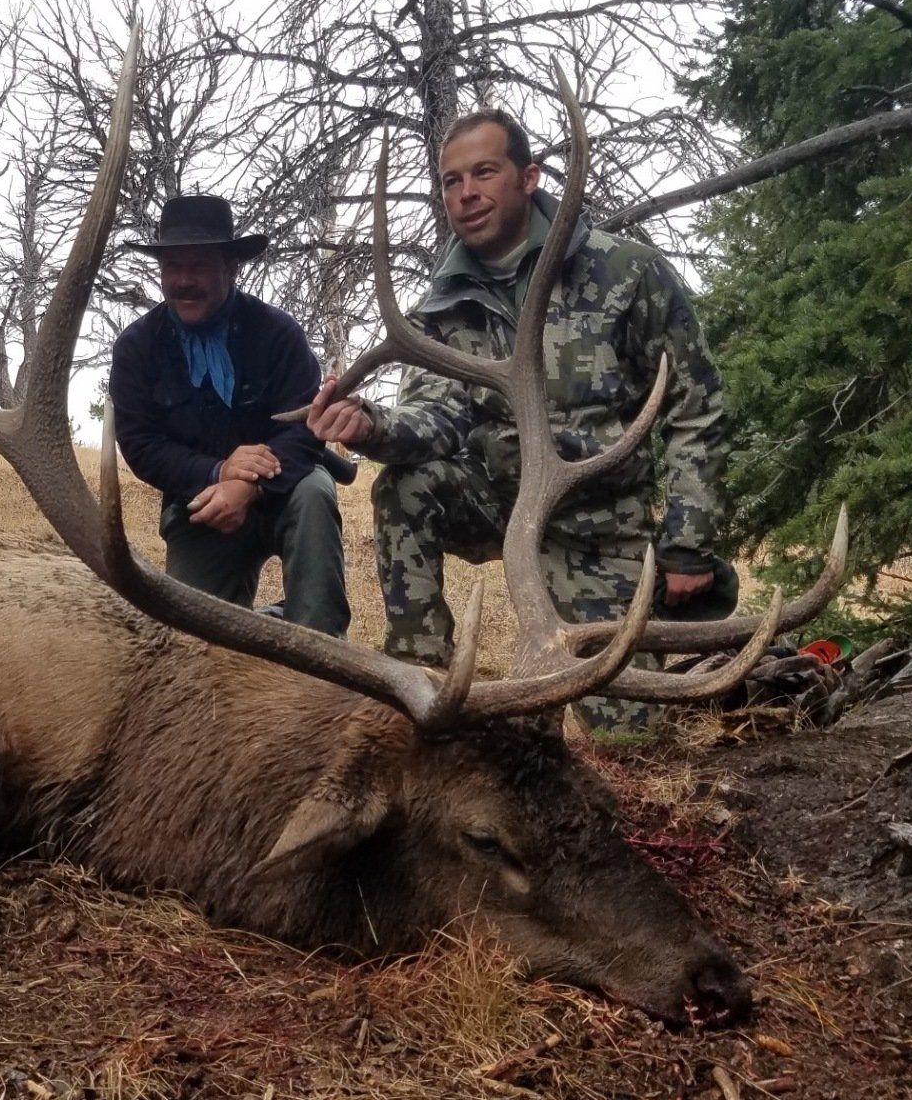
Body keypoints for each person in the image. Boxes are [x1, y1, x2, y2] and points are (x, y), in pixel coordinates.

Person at [307, 111, 733, 729]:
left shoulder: (626, 272)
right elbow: (439, 415)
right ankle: (417, 687)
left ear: (528, 176)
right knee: (408, 486)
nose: (466, 193)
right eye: (451, 181)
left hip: (600, 533)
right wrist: (371, 426)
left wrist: (688, 544)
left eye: (484, 172)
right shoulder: (447, 304)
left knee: (623, 742)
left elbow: (698, 408)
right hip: (504, 509)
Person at [109, 195, 351, 638]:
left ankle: (324, 648)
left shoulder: (279, 335)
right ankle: (272, 625)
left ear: (231, 268)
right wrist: (218, 472)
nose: (182, 281)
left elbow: (306, 431)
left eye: (198, 266)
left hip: (284, 490)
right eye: (171, 268)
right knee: (191, 647)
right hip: (201, 505)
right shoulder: (136, 349)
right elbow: (141, 446)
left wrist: (246, 486)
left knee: (315, 492)